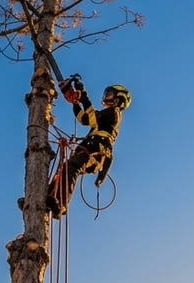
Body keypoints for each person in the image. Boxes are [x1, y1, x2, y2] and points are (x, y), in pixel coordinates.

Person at [46, 77, 132, 218]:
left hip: (95, 152)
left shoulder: (113, 113)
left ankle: (61, 205)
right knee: (66, 169)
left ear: (118, 99)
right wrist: (75, 103)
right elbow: (83, 118)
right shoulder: (105, 118)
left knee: (71, 166)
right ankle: (46, 199)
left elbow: (88, 119)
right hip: (89, 151)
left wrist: (83, 95)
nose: (106, 97)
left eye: (110, 94)